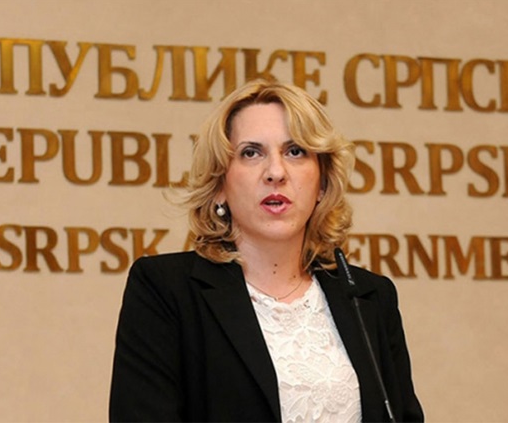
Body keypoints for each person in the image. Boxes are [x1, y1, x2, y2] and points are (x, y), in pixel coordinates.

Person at [109, 79, 424, 422]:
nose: (276, 172)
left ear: (322, 182)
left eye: (295, 151)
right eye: (251, 153)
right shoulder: (165, 290)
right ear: (219, 184)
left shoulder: (369, 297)